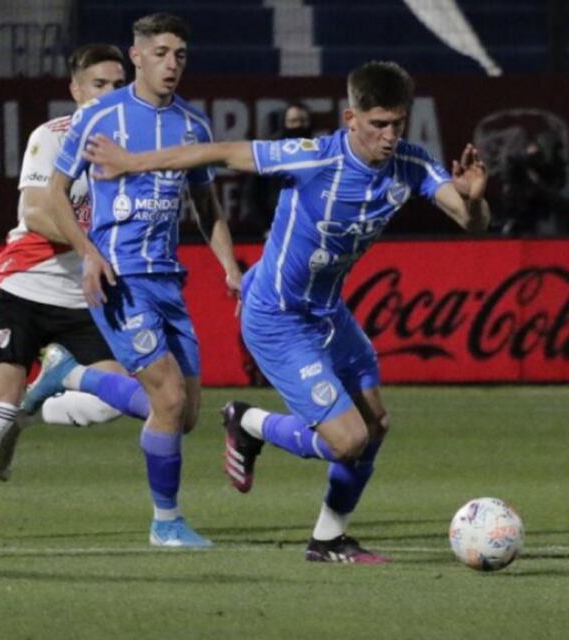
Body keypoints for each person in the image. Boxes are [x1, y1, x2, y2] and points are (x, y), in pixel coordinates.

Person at [84, 60, 490, 562]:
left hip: (328, 314)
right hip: (275, 315)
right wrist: (131, 163)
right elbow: (219, 152)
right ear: (350, 118)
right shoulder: (314, 157)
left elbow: (471, 221)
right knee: (348, 440)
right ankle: (249, 423)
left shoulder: (412, 163)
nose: (389, 137)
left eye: (397, 124)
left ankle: (327, 540)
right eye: (377, 124)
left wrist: (473, 199)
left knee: (375, 425)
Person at [0, 44, 148, 542]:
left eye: (118, 84)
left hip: (85, 299)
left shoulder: (135, 150)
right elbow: (35, 212)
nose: (110, 93)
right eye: (99, 84)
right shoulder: (54, 137)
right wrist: (89, 248)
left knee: (115, 402)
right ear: (75, 90)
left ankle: (28, 414)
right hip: (25, 287)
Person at [36, 12, 242, 548]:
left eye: (180, 55)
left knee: (185, 414)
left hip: (168, 281)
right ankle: (165, 522)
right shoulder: (99, 116)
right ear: (137, 55)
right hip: (120, 277)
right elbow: (55, 193)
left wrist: (229, 265)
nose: (172, 63)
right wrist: (87, 254)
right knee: (168, 400)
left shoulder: (194, 125)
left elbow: (204, 202)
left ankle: (73, 376)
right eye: (162, 53)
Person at [500, 130, 569, 236]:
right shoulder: (529, 175)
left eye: (541, 152)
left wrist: (538, 183)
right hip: (533, 235)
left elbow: (565, 203)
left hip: (566, 237)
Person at [241, 102, 313, 235]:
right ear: (284, 123)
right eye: (293, 121)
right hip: (274, 228)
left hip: (310, 230)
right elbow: (253, 193)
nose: (298, 126)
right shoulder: (270, 152)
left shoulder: (319, 151)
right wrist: (264, 227)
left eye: (302, 121)